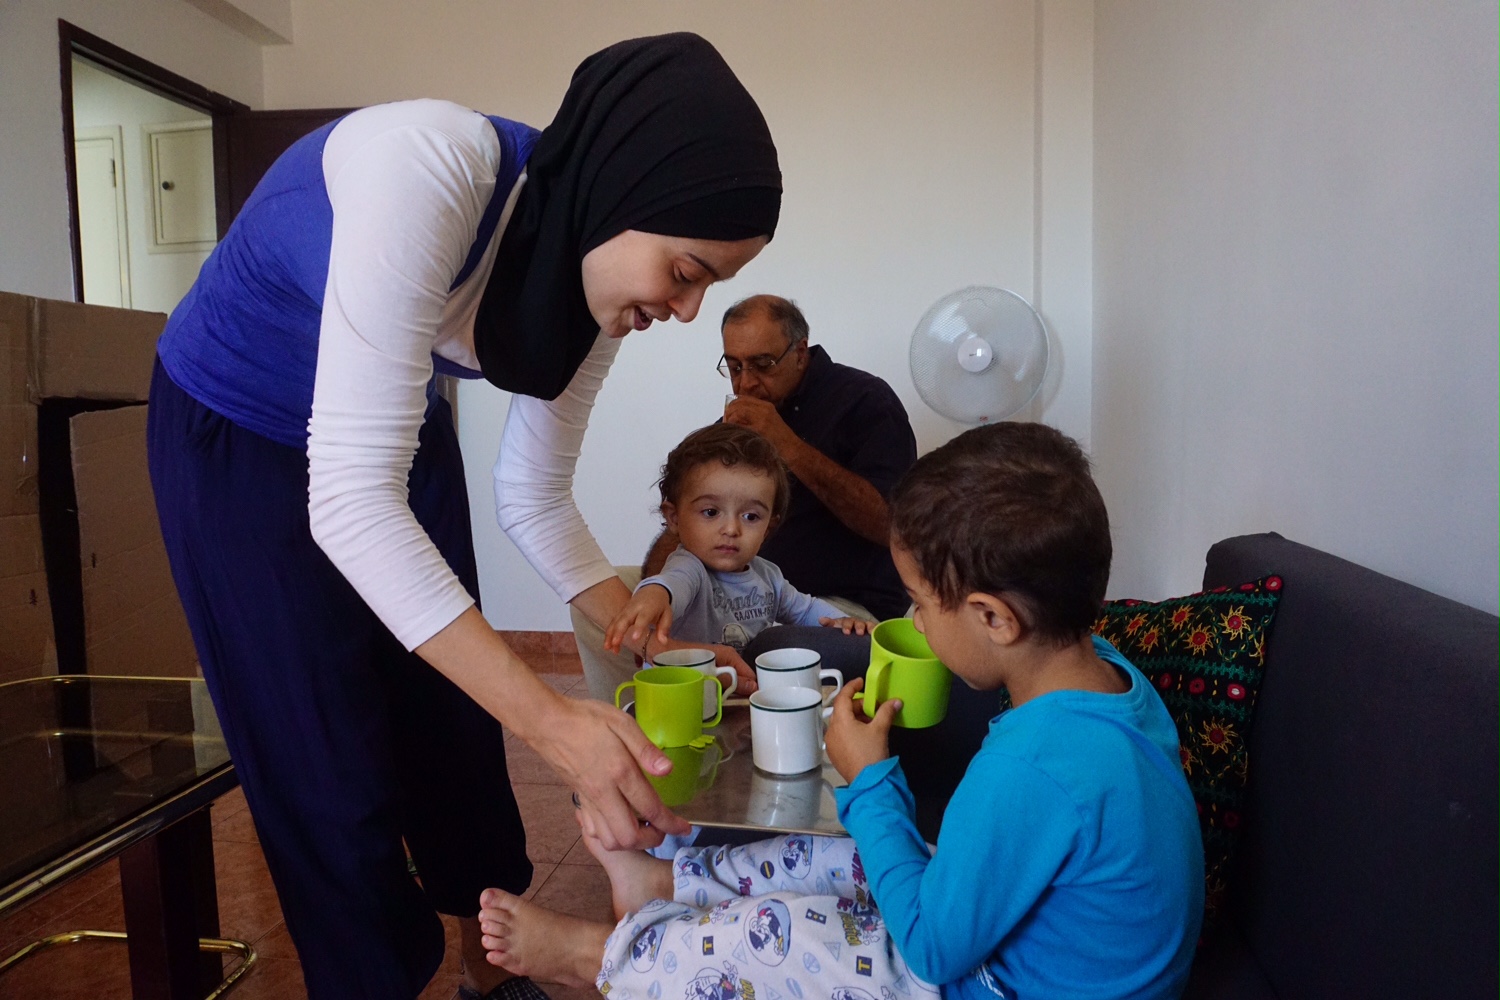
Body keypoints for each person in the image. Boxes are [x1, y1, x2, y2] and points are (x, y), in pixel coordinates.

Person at [147, 33, 781, 1000]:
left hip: (386, 436)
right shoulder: (427, 169)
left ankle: (492, 967)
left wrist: (654, 640)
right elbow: (351, 500)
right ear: (620, 200)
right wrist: (551, 721)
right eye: (686, 271)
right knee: (322, 759)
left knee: (452, 727)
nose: (688, 311)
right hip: (237, 437)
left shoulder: (597, 290)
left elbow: (531, 490)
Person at [477, 421, 1205, 1000]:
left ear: (993, 618)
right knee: (835, 855)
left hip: (996, 983)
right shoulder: (1112, 679)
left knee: (790, 933)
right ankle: (663, 883)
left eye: (920, 605)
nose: (915, 626)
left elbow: (930, 946)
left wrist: (872, 776)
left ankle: (596, 957)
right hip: (1034, 940)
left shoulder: (1031, 766)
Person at [575, 294, 916, 699]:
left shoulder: (865, 401)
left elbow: (891, 526)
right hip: (722, 588)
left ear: (800, 352)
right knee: (601, 607)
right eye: (734, 367)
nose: (747, 383)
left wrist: (786, 444)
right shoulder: (739, 421)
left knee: (768, 645)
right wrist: (654, 595)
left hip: (831, 603)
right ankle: (640, 724)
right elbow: (691, 513)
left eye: (762, 364)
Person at [606, 423, 875, 663]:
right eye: (711, 512)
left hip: (740, 691)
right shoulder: (691, 568)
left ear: (769, 527)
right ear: (674, 518)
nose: (732, 529)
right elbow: (673, 583)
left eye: (750, 516)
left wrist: (843, 621)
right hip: (687, 694)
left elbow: (806, 610)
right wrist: (653, 593)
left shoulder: (768, 576)